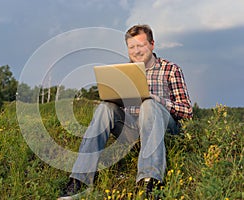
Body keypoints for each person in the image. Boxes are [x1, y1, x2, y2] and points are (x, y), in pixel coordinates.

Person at [58, 24, 193, 199]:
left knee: (149, 105)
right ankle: (80, 180)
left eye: (141, 45)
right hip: (132, 131)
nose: (136, 51)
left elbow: (187, 111)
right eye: (132, 47)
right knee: (105, 108)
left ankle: (150, 181)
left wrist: (157, 100)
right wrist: (113, 98)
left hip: (164, 130)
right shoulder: (122, 73)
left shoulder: (170, 70)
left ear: (152, 44)